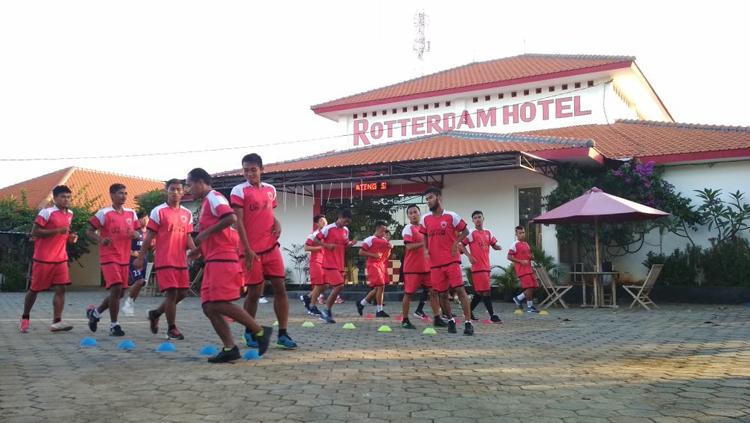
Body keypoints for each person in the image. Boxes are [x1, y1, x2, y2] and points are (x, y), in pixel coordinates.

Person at [186, 168, 271, 363]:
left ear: (200, 182)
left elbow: (231, 218)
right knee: (208, 306)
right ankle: (230, 348)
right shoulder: (207, 203)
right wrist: (200, 250)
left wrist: (204, 235)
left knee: (218, 303)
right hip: (213, 259)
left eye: (190, 185)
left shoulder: (215, 198)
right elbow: (220, 231)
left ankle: (259, 331)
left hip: (223, 260)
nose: (189, 190)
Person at [230, 153, 296, 349]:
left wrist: (276, 222)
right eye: (245, 170)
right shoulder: (238, 191)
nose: (249, 173)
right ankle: (249, 331)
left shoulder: (271, 190)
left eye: (253, 169)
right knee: (254, 293)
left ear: (261, 169)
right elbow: (239, 222)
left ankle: (283, 334)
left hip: (271, 247)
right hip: (251, 252)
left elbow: (269, 211)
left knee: (280, 288)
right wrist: (248, 250)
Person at [133, 179, 196, 340]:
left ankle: (155, 314)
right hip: (164, 259)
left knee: (182, 293)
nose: (175, 192)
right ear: (166, 191)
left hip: (181, 260)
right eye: (172, 189)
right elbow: (149, 237)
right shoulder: (158, 211)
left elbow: (187, 236)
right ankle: (171, 329)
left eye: (178, 189)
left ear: (183, 192)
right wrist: (140, 257)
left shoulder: (187, 214)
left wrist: (195, 250)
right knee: (172, 293)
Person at [19, 185, 77, 333]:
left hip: (61, 258)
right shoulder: (46, 212)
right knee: (34, 290)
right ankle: (25, 317)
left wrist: (71, 238)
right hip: (43, 258)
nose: (66, 200)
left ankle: (56, 322)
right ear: (55, 198)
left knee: (61, 289)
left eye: (69, 197)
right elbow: (35, 232)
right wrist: (57, 230)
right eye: (63, 197)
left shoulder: (70, 213)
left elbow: (64, 235)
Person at [85, 184, 141, 337]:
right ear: (111, 195)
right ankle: (114, 325)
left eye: (125, 193)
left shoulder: (131, 213)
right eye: (119, 193)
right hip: (109, 257)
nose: (123, 196)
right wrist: (100, 239)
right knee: (116, 288)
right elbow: (89, 230)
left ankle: (95, 313)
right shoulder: (104, 213)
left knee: (120, 293)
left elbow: (138, 232)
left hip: (125, 257)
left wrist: (136, 234)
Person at [420, 187, 474, 335]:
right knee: (442, 294)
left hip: (452, 261)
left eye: (430, 197)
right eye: (426, 199)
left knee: (460, 290)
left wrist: (456, 243)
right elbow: (424, 235)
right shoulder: (425, 219)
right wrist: (425, 249)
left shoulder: (451, 216)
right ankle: (450, 320)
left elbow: (466, 231)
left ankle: (468, 323)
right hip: (435, 264)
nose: (428, 201)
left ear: (438, 197)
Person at [400, 204, 442, 329]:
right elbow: (408, 246)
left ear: (419, 213)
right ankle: (405, 320)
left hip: (427, 268)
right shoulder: (408, 228)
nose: (413, 215)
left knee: (434, 292)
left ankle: (437, 318)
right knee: (408, 294)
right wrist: (423, 242)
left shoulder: (425, 228)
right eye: (410, 213)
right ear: (408, 216)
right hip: (412, 268)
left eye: (415, 212)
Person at [309, 208, 355, 324]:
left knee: (336, 286)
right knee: (339, 285)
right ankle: (326, 310)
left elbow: (345, 245)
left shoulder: (345, 230)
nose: (346, 223)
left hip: (339, 263)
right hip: (329, 263)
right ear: (339, 217)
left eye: (348, 222)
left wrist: (351, 243)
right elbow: (315, 239)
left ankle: (326, 310)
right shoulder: (328, 228)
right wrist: (326, 245)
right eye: (345, 221)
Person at [463, 210, 503, 323]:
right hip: (478, 267)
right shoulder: (471, 233)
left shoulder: (488, 232)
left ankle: (468, 312)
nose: (477, 219)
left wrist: (498, 247)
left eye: (479, 217)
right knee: (486, 291)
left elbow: (493, 244)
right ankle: (492, 315)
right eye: (475, 218)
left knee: (479, 293)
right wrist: (469, 256)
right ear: (472, 220)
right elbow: (461, 245)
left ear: (483, 218)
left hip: (486, 266)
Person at [356, 221, 392, 318]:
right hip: (373, 265)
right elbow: (361, 252)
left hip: (381, 265)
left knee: (378, 288)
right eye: (383, 231)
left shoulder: (384, 240)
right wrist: (373, 255)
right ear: (379, 229)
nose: (385, 233)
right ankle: (379, 311)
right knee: (380, 286)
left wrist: (389, 249)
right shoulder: (369, 239)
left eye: (385, 231)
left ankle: (361, 303)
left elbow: (386, 256)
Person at [122, 211, 149, 317]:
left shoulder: (148, 232)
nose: (146, 220)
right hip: (133, 261)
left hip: (144, 260)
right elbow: (123, 245)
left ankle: (130, 303)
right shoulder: (133, 232)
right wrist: (131, 252)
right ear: (139, 220)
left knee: (141, 283)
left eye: (147, 218)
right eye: (144, 218)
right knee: (139, 281)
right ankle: (128, 303)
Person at [508, 225, 540, 313]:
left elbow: (529, 256)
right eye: (520, 233)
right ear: (516, 234)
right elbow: (509, 257)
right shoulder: (514, 244)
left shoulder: (526, 244)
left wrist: (532, 257)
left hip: (529, 269)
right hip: (522, 270)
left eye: (523, 232)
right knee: (529, 287)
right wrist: (520, 261)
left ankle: (519, 299)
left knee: (533, 287)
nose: (522, 234)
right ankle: (528, 305)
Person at [301, 214, 327, 314]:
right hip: (316, 261)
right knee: (319, 284)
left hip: (325, 262)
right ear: (317, 223)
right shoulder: (314, 234)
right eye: (321, 220)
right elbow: (306, 248)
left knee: (326, 285)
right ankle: (312, 307)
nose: (324, 222)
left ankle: (307, 297)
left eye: (325, 220)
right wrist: (320, 248)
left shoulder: (327, 233)